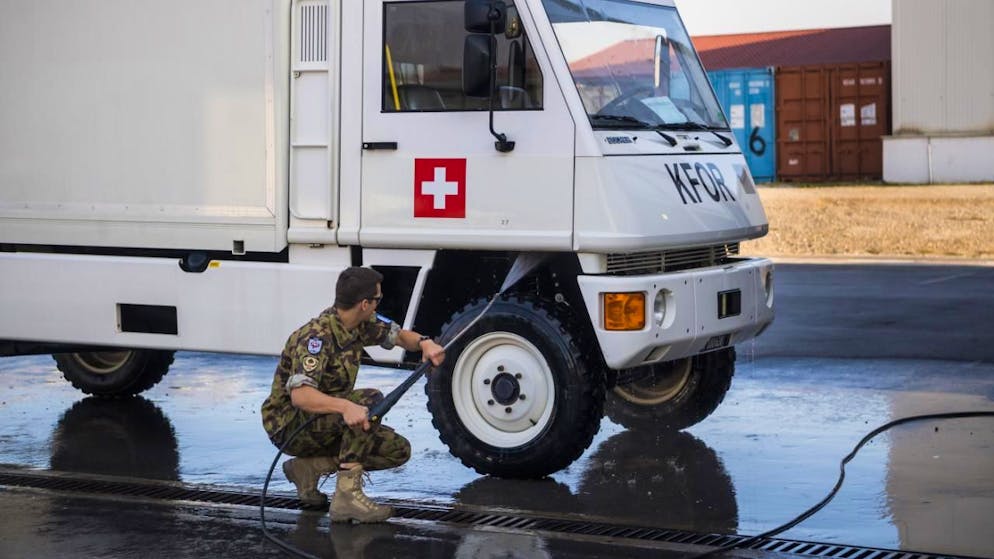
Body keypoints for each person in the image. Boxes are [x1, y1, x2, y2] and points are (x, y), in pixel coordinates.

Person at [261, 266, 445, 523]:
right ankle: (347, 497)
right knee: (368, 401)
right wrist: (345, 407)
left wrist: (425, 343)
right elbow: (301, 396)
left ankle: (309, 468)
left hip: (323, 423)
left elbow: (400, 337)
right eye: (378, 300)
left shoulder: (359, 324)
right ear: (364, 304)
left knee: (397, 450)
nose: (379, 305)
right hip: (290, 425)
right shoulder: (317, 338)